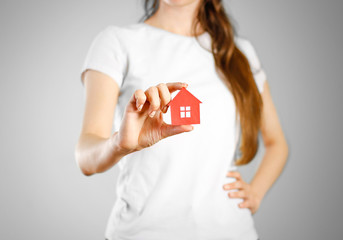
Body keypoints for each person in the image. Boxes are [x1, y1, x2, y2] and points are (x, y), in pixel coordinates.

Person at [75, 0, 289, 239]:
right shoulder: (117, 42)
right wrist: (119, 144)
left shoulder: (241, 52)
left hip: (230, 231)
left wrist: (256, 193)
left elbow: (277, 143)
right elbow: (86, 158)